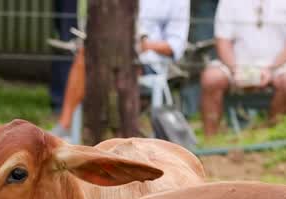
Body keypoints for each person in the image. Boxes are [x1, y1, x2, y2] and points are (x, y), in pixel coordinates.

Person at [50, 0, 190, 139]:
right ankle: (67, 126)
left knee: (117, 66)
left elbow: (176, 45)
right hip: (110, 51)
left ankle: (110, 131)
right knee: (85, 54)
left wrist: (145, 45)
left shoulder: (179, 2)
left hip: (149, 62)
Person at [200, 0, 286, 137]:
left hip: (282, 65)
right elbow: (222, 41)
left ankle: (272, 138)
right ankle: (210, 143)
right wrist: (235, 69)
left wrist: (270, 69)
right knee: (211, 78)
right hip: (236, 64)